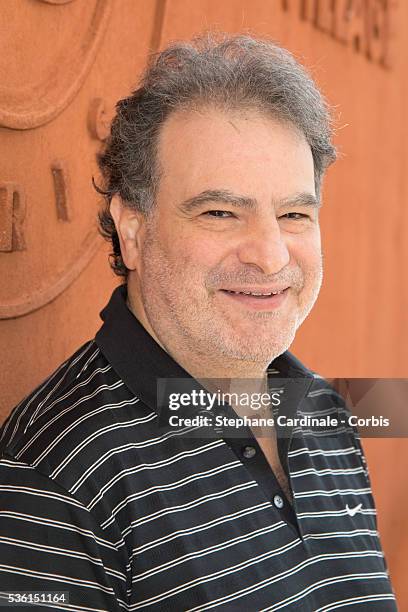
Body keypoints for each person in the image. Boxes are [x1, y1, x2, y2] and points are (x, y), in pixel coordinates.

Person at [0, 33, 396, 611]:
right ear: (132, 230)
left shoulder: (327, 412)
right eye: (219, 212)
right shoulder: (52, 475)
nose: (271, 255)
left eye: (293, 213)